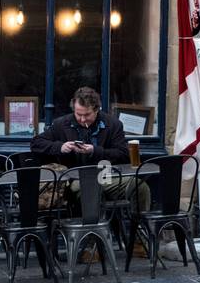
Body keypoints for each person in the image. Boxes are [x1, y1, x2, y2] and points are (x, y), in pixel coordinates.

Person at [31, 85, 148, 218]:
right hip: (74, 178)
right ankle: (96, 234)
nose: (82, 119)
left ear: (97, 109)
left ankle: (138, 231)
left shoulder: (113, 124)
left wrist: (95, 151)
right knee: (90, 190)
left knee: (139, 186)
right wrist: (60, 147)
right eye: (78, 114)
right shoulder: (61, 123)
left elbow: (123, 153)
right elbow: (36, 143)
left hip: (106, 175)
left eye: (87, 115)